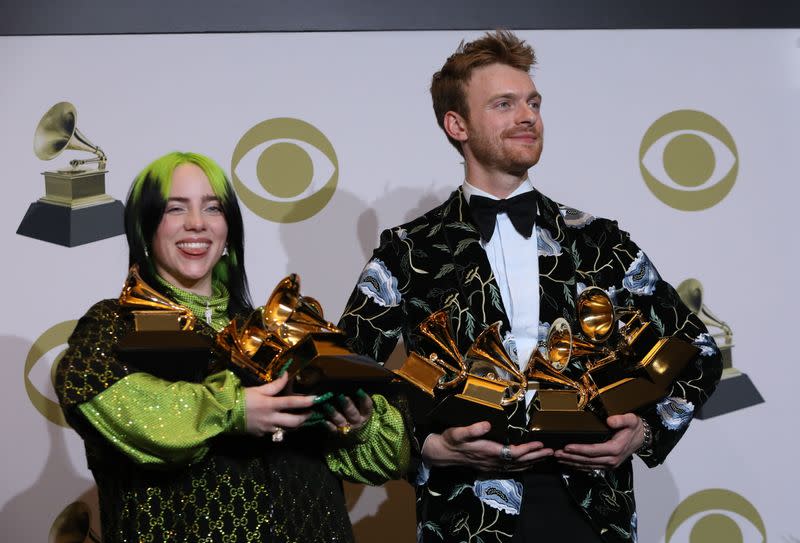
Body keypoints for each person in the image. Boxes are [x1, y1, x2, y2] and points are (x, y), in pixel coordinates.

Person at [338, 31, 722, 542]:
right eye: (504, 104)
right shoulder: (409, 251)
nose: (527, 116)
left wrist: (644, 431)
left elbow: (698, 350)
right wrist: (427, 446)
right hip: (464, 514)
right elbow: (343, 377)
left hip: (591, 510)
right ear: (457, 125)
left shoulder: (599, 241)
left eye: (533, 103)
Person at [55, 152, 408, 542]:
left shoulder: (282, 329)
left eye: (213, 208)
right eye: (176, 208)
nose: (197, 224)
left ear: (228, 233)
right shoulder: (111, 324)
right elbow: (114, 403)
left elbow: (387, 457)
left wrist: (357, 424)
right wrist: (234, 410)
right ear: (144, 228)